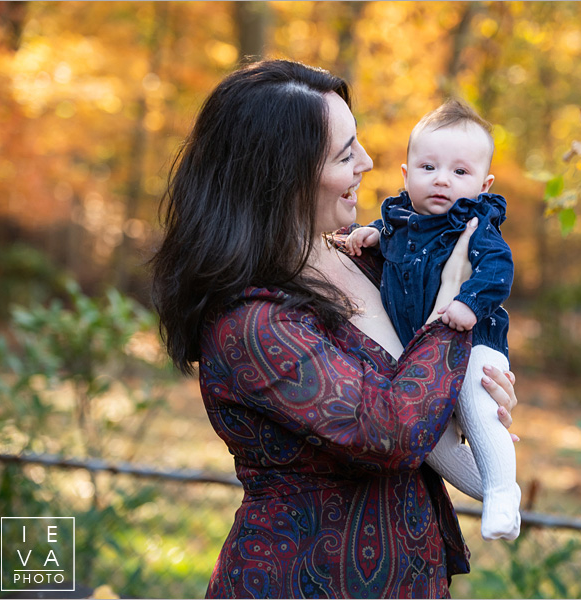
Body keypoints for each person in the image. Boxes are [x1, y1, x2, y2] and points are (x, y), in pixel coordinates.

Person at [149, 60, 519, 599]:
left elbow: (423, 386)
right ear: (285, 173)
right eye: (346, 154)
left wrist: (478, 391)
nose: (368, 163)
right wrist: (450, 311)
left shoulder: (361, 257)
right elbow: (391, 433)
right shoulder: (251, 320)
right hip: (303, 581)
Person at [344, 100, 520, 541]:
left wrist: (470, 302)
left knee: (479, 402)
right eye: (428, 167)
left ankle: (502, 488)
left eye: (460, 173)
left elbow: (498, 271)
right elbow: (396, 249)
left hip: (474, 339)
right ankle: (493, 486)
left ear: (484, 183)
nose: (442, 180)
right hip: (416, 358)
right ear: (406, 175)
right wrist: (373, 235)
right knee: (429, 444)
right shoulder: (399, 221)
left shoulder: (477, 224)